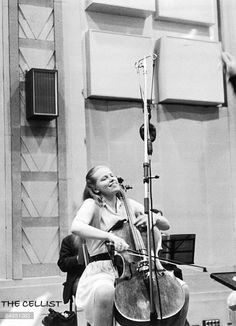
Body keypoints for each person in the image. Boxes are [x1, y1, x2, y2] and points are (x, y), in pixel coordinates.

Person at [71, 165, 189, 326]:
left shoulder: (129, 204)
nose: (111, 178)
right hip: (103, 270)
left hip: (134, 269)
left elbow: (165, 224)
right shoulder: (92, 204)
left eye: (111, 175)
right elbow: (76, 227)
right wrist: (109, 236)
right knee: (105, 291)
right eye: (104, 178)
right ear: (96, 189)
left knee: (183, 289)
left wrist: (153, 218)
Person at [57, 234, 86, 310]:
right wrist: (77, 259)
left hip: (98, 275)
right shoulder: (68, 241)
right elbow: (62, 264)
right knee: (83, 289)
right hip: (78, 277)